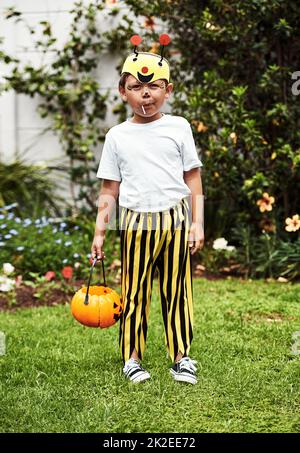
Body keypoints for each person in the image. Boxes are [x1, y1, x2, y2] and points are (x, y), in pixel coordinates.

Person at [91, 34, 204, 385]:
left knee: (176, 290)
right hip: (137, 222)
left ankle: (181, 357)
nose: (146, 94)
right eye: (136, 87)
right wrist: (99, 232)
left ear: (167, 90)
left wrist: (197, 223)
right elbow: (110, 188)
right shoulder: (117, 136)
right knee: (136, 292)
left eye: (153, 86)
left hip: (175, 218)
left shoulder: (179, 127)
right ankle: (132, 358)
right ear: (123, 92)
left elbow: (193, 177)